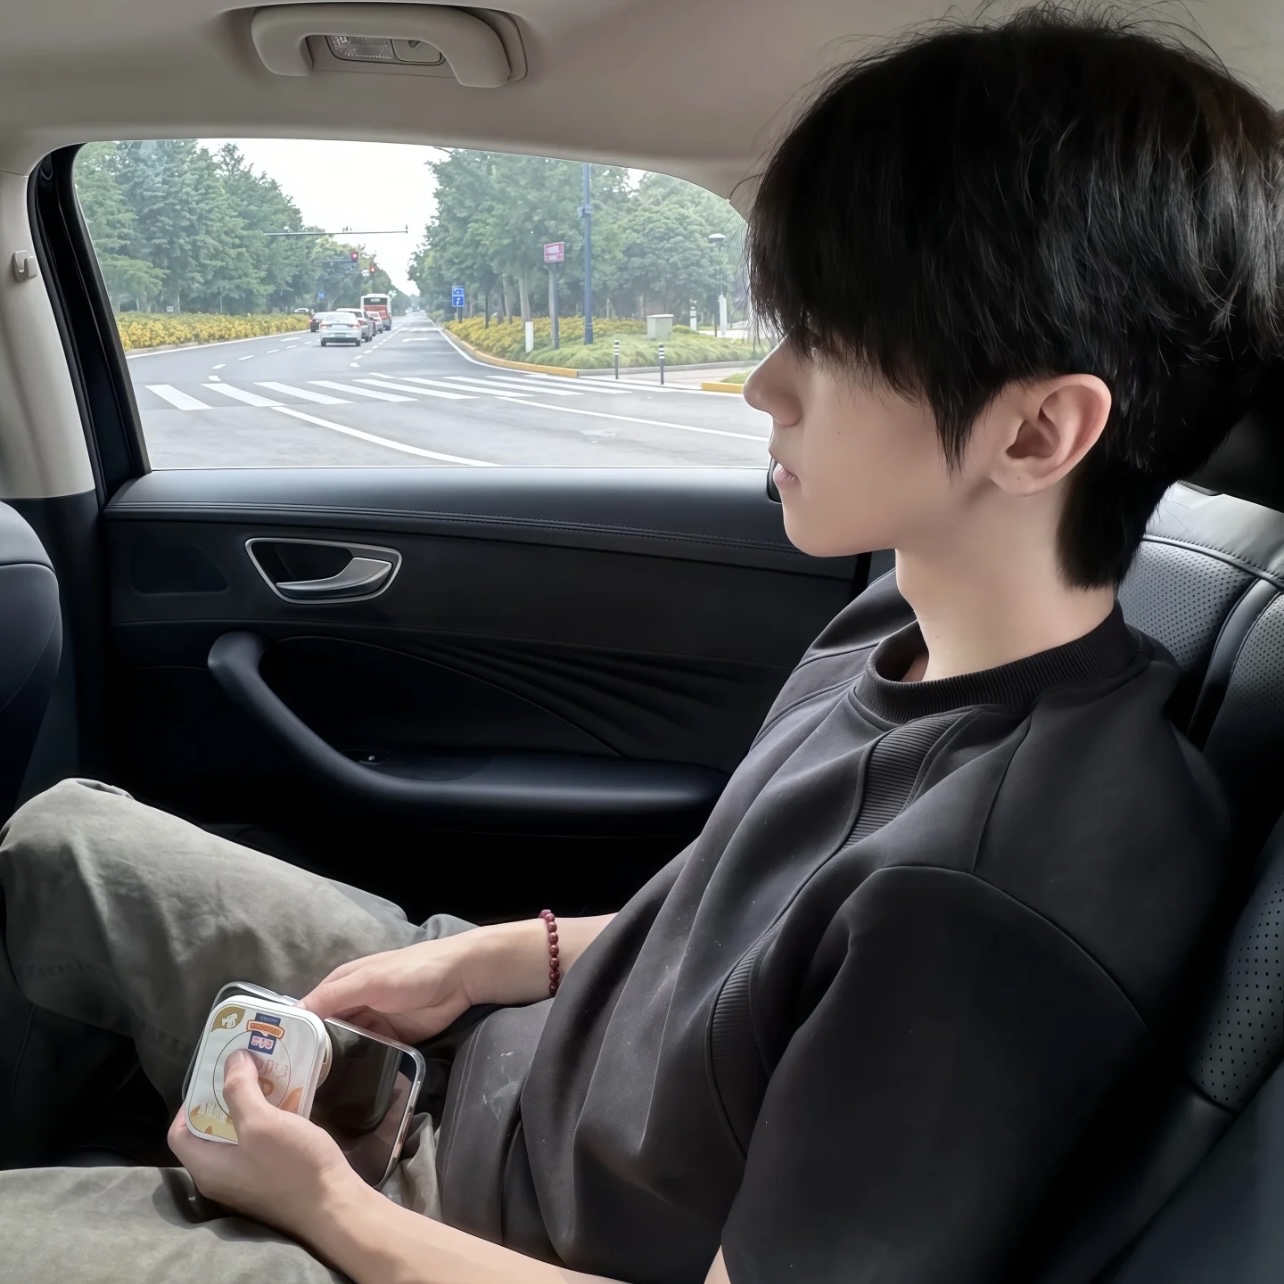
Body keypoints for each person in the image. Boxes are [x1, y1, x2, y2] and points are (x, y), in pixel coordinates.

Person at [3, 7, 1282, 1282]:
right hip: (479, 1061)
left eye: (829, 344)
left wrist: (327, 1208)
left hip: (459, 1238)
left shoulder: (995, 906)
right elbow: (736, 926)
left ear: (1037, 433)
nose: (765, 386)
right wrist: (483, 959)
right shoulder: (897, 628)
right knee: (63, 843)